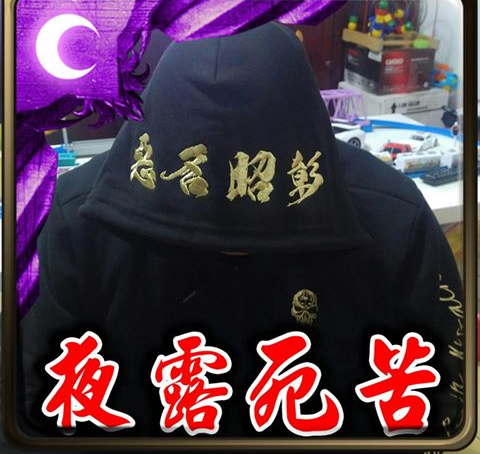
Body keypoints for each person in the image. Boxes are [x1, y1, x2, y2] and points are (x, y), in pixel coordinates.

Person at [19, 22, 464, 440]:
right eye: (194, 240)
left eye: (258, 241)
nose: (233, 257)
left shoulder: (393, 220)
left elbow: (442, 393)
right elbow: (37, 397)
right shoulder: (75, 221)